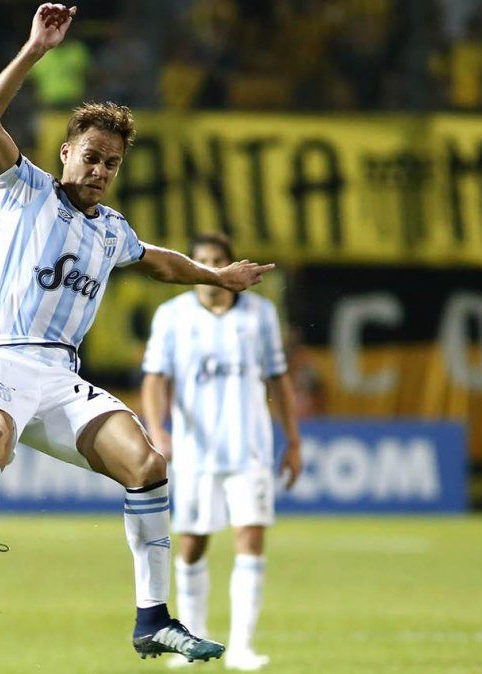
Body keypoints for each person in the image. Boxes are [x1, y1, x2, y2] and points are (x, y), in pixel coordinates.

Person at [0, 3, 274, 663]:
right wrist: (34, 50)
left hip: (59, 378)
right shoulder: (23, 190)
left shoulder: (110, 230)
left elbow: (157, 261)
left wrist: (217, 274)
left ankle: (152, 619)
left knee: (148, 465)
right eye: (90, 156)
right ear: (65, 151)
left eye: (110, 163)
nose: (98, 170)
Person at [141, 233, 302, 671]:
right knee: (192, 545)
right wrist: (157, 429)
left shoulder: (261, 315)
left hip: (250, 448)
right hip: (194, 452)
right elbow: (155, 378)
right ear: (192, 268)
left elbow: (278, 380)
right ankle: (193, 640)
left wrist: (294, 440)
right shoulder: (172, 316)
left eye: (218, 261)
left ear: (231, 266)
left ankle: (244, 647)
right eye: (202, 262)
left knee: (250, 538)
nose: (210, 270)